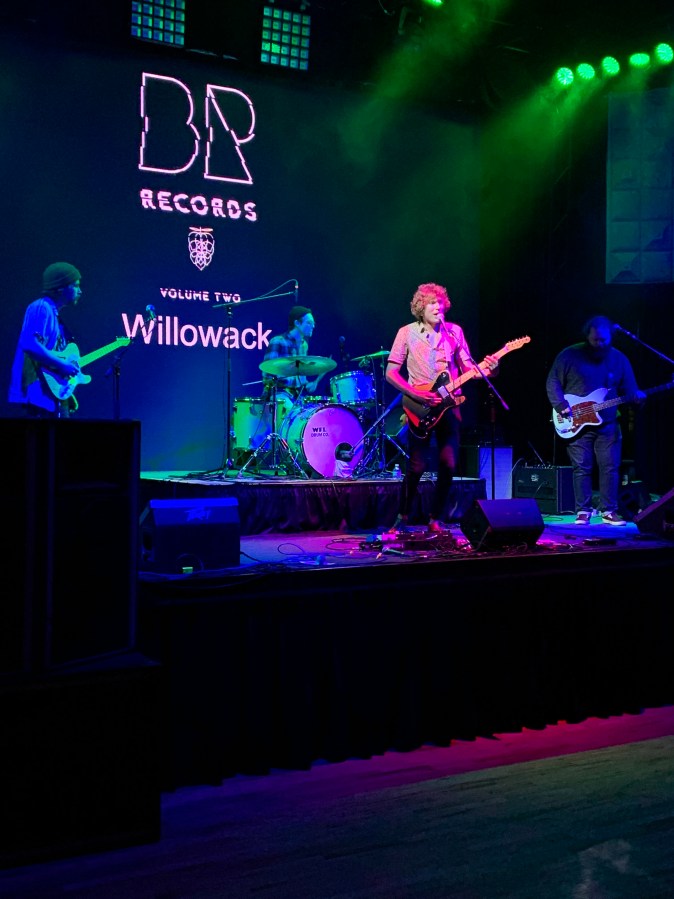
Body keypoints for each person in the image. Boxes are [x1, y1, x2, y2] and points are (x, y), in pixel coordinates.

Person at [385, 282, 500, 534]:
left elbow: (469, 368)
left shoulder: (454, 332)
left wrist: (490, 369)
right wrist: (416, 393)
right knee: (416, 466)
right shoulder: (406, 333)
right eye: (431, 303)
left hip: (450, 406)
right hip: (420, 406)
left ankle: (435, 518)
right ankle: (402, 516)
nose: (437, 307)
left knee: (448, 463)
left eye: (440, 303)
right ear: (420, 307)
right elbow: (391, 373)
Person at [546, 314, 646, 526]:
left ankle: (609, 510)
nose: (600, 344)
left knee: (610, 466)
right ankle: (583, 511)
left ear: (611, 337)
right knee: (582, 466)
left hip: (608, 422)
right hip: (576, 419)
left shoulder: (619, 359)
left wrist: (637, 399)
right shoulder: (569, 355)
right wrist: (561, 405)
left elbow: (630, 390)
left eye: (604, 340)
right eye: (595, 340)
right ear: (587, 336)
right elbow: (553, 381)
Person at [8, 261, 83, 418]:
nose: (80, 290)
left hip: (45, 395)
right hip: (35, 394)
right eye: (75, 285)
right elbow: (30, 344)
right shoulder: (41, 308)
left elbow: (49, 359)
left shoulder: (52, 314)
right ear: (60, 287)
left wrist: (64, 390)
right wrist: (62, 365)